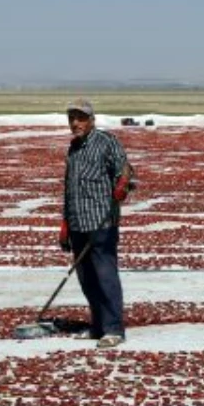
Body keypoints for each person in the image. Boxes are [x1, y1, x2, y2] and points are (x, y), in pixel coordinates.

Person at [59, 98, 135, 348]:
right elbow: (69, 189)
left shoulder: (106, 142)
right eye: (72, 118)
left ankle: (114, 329)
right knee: (87, 278)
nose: (75, 123)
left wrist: (122, 185)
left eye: (80, 118)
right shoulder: (73, 148)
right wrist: (65, 223)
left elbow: (125, 169)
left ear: (92, 120)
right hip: (78, 222)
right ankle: (98, 326)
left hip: (101, 221)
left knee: (105, 275)